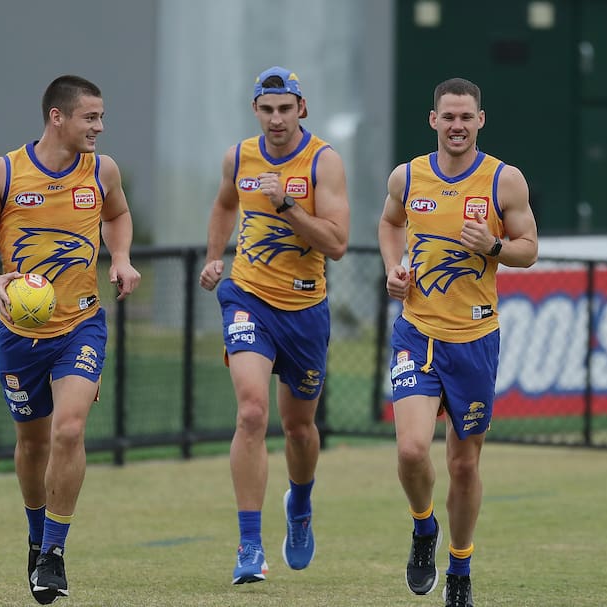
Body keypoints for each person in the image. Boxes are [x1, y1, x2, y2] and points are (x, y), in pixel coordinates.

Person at [378, 77, 538, 607]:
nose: (457, 126)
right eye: (448, 117)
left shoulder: (503, 180)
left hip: (474, 339)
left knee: (464, 465)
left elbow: (529, 249)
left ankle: (461, 567)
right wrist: (393, 268)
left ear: (480, 121)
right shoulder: (408, 175)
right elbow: (388, 223)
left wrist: (493, 244)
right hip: (417, 331)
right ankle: (424, 528)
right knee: (410, 449)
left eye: (466, 117)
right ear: (433, 120)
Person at [0, 75, 141, 604]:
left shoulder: (103, 170)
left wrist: (120, 259)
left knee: (69, 430)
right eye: (90, 117)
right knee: (32, 442)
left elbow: (118, 214)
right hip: (17, 333)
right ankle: (36, 538)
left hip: (81, 323)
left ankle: (53, 552)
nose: (99, 127)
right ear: (58, 117)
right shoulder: (5, 172)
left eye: (101, 117)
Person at [199, 66, 350, 585]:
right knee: (250, 412)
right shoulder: (239, 157)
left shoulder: (323, 162)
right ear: (255, 111)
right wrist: (214, 257)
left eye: (286, 108)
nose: (276, 119)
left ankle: (300, 504)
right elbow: (224, 205)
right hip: (247, 298)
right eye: (267, 110)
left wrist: (287, 205)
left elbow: (336, 243)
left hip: (305, 309)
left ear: (301, 109)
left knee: (299, 427)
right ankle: (248, 546)